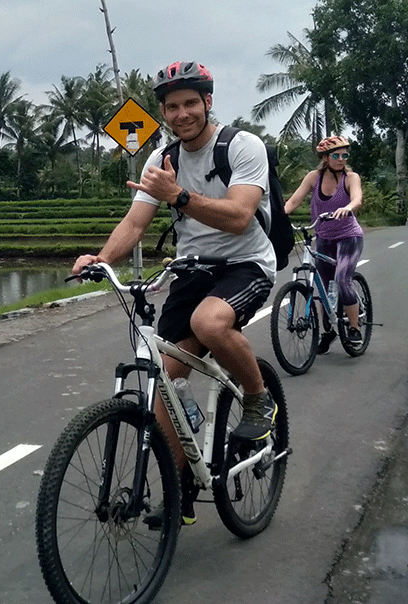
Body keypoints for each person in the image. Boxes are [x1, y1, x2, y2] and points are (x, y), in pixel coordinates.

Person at [71, 61, 278, 525]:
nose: (181, 113)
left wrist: (179, 197)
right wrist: (101, 259)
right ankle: (178, 486)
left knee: (209, 323)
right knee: (164, 379)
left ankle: (258, 396)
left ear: (207, 102)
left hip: (246, 266)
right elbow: (135, 222)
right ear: (162, 112)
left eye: (190, 103)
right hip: (192, 270)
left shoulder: (242, 147)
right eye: (171, 106)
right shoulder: (161, 160)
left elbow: (241, 217)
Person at [283, 135, 365, 352]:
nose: (341, 159)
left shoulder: (350, 177)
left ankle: (355, 327)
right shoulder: (313, 177)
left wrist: (349, 207)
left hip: (349, 237)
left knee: (342, 278)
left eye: (345, 155)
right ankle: (328, 331)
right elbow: (294, 200)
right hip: (324, 236)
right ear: (325, 158)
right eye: (336, 155)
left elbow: (356, 198)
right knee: (321, 283)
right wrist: (279, 215)